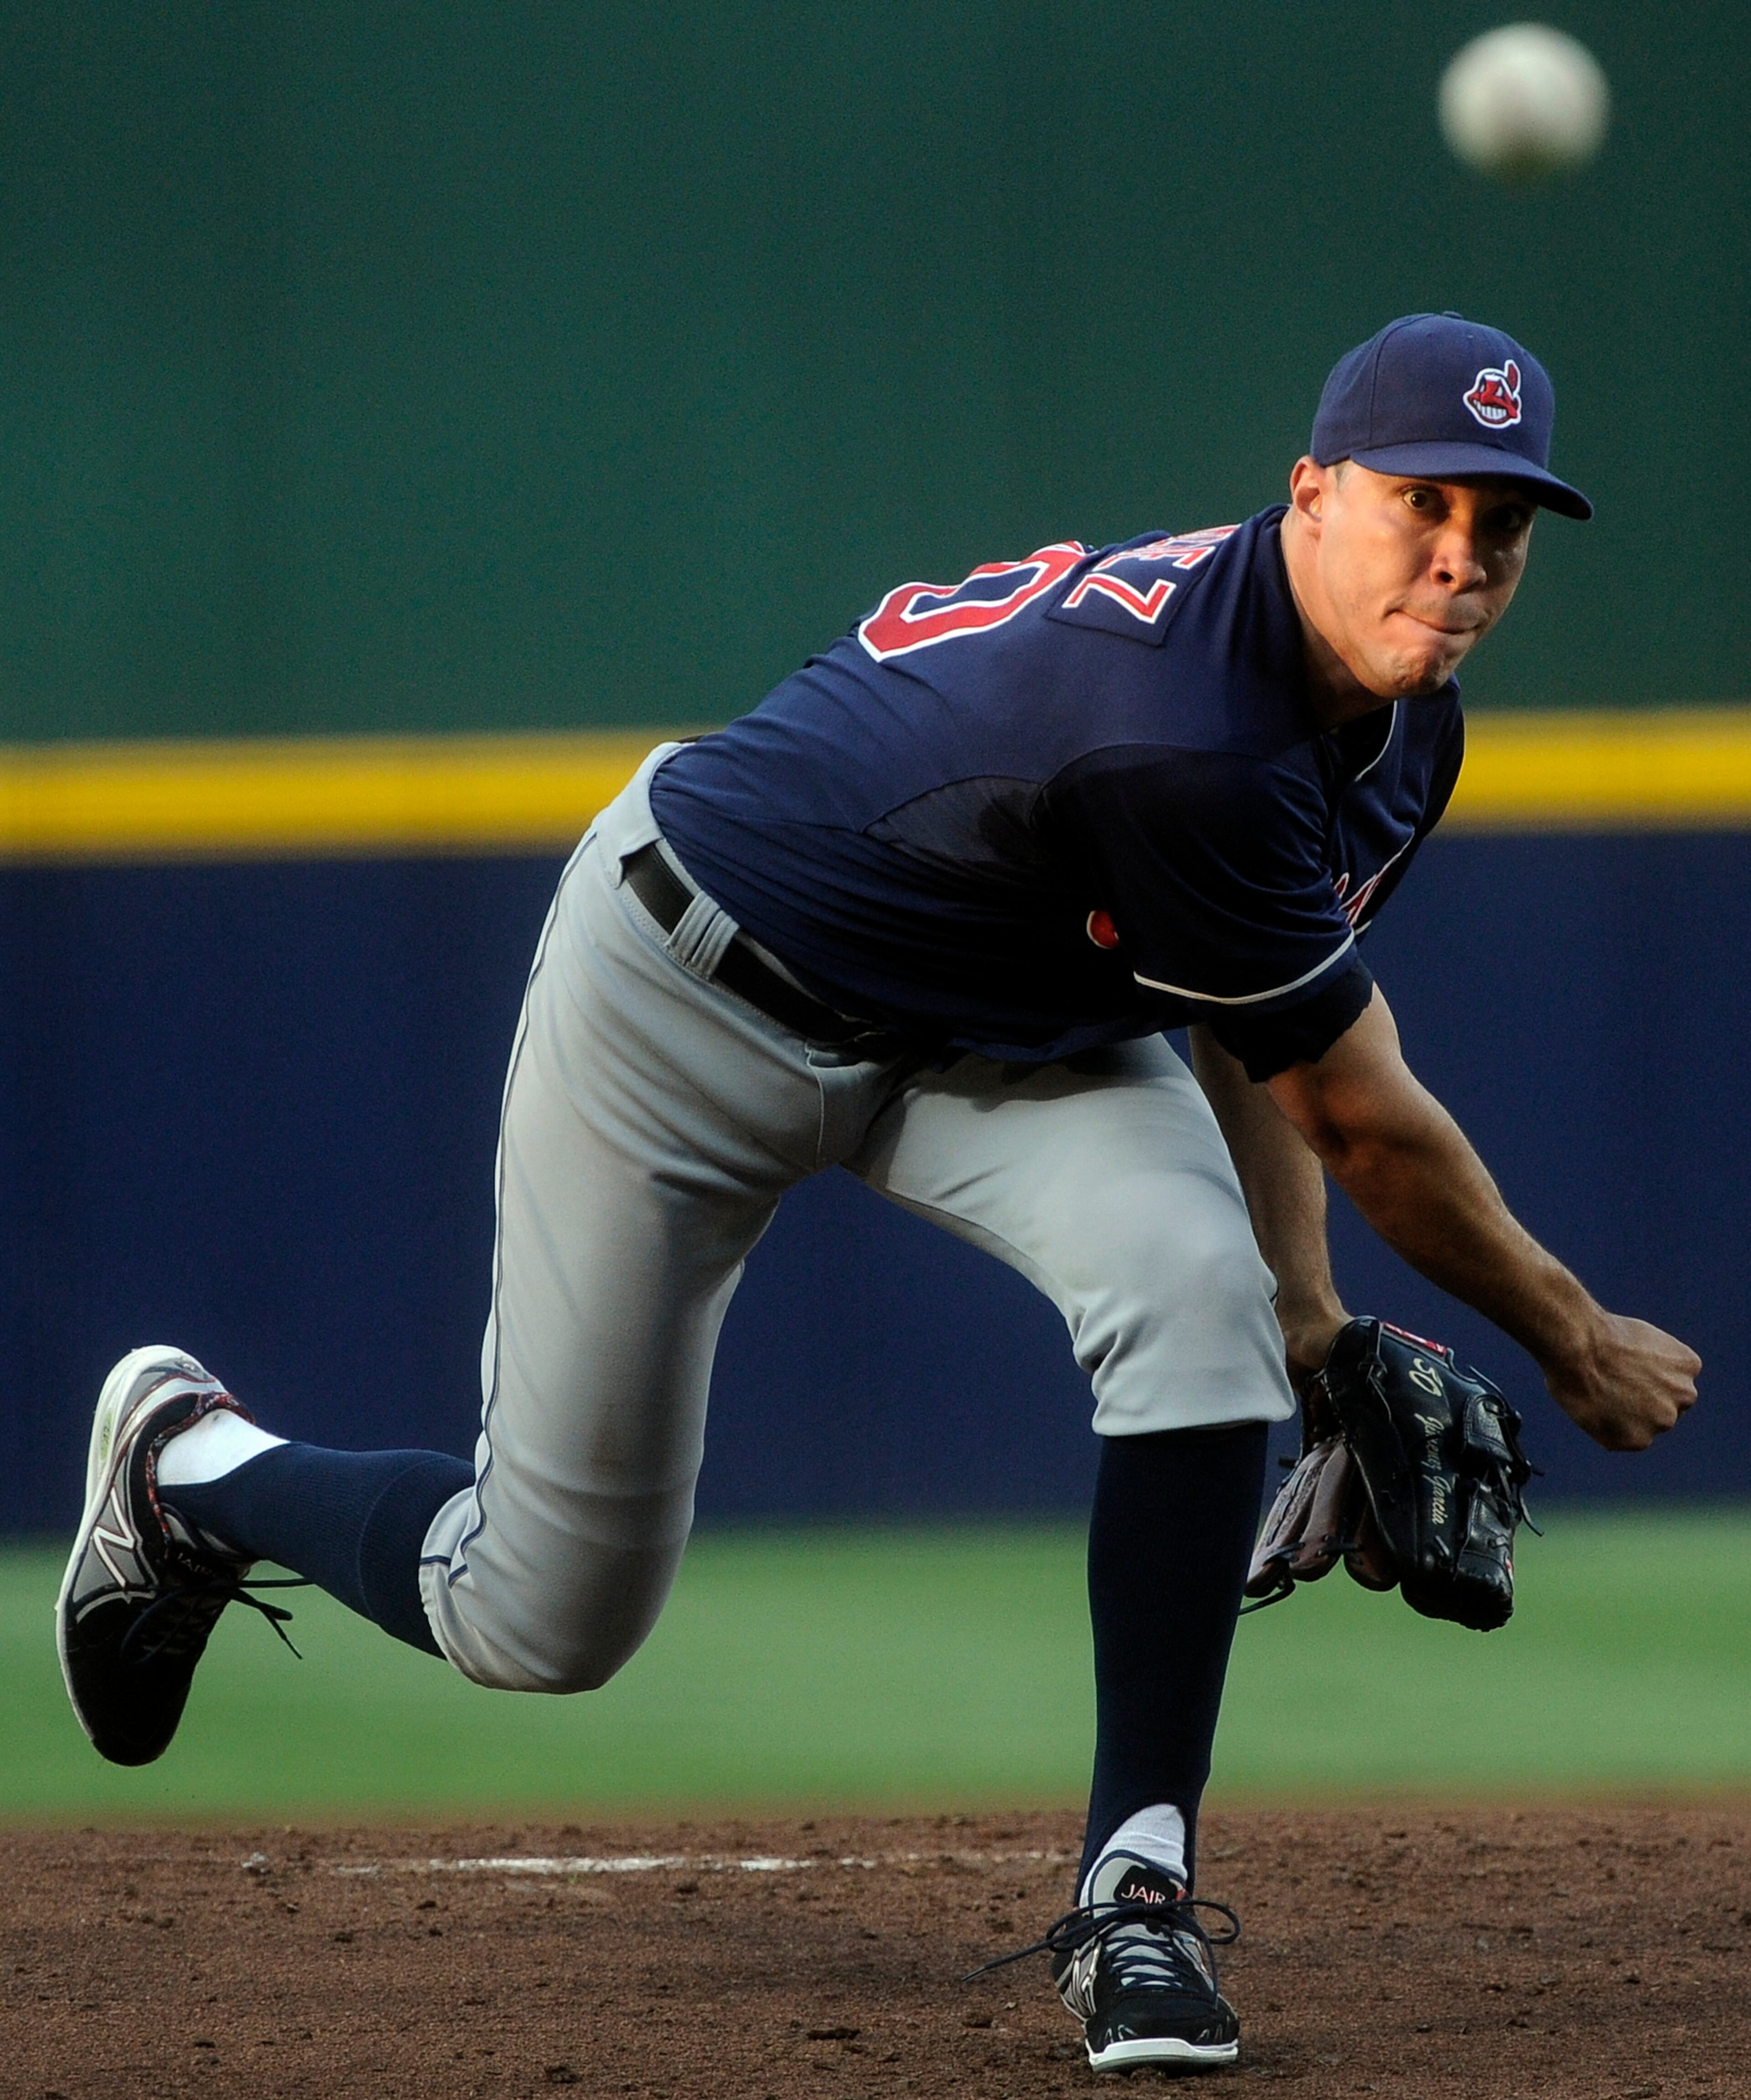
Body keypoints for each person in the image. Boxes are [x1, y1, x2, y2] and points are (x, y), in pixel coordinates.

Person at [57, 313, 1698, 2074]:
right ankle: (189, 1467)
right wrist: (1572, 1335)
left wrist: (1305, 1317)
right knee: (535, 1620)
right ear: (1309, 498)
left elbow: (1253, 1019)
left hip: (998, 1041)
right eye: (1418, 504)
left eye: (1501, 526)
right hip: (686, 986)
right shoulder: (1187, 728)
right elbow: (1362, 1121)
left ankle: (1134, 1899)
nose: (1459, 557)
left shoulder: (1398, 721)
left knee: (1196, 1301)